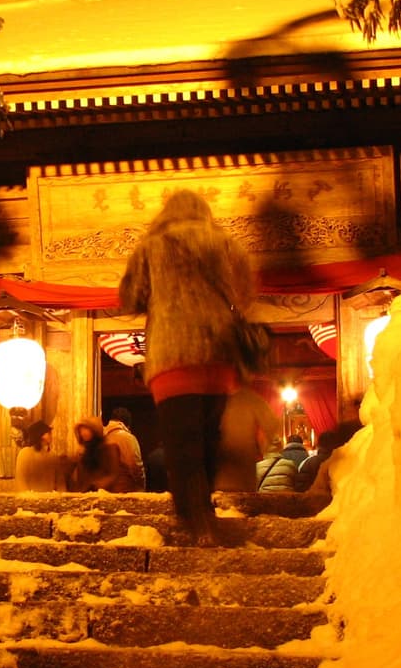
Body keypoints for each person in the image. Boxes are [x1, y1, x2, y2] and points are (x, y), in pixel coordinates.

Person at [119, 190, 255, 545]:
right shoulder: (225, 243)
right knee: (209, 438)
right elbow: (245, 292)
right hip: (217, 354)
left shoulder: (152, 246)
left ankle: (196, 521)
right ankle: (204, 512)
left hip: (172, 355)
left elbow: (130, 297)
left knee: (182, 443)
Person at [215, 386, 280, 492]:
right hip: (244, 464)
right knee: (244, 497)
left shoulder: (216, 398)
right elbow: (272, 426)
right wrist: (262, 448)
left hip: (220, 468)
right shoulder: (250, 398)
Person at [68, 414, 142, 492]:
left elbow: (113, 473)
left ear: (94, 430)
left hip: (110, 492)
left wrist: (95, 486)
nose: (83, 433)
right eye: (81, 430)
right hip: (92, 492)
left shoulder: (108, 447)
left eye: (86, 429)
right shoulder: (85, 451)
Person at [14, 420, 65, 492]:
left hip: (50, 497)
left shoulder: (53, 456)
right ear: (41, 435)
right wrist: (27, 496)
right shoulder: (25, 454)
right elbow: (21, 481)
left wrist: (61, 496)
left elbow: (60, 483)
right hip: (31, 497)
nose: (51, 435)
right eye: (48, 433)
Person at [104, 407, 146, 491]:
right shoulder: (127, 438)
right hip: (125, 489)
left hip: (105, 490)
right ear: (127, 425)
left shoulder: (101, 437)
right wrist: (141, 485)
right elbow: (135, 465)